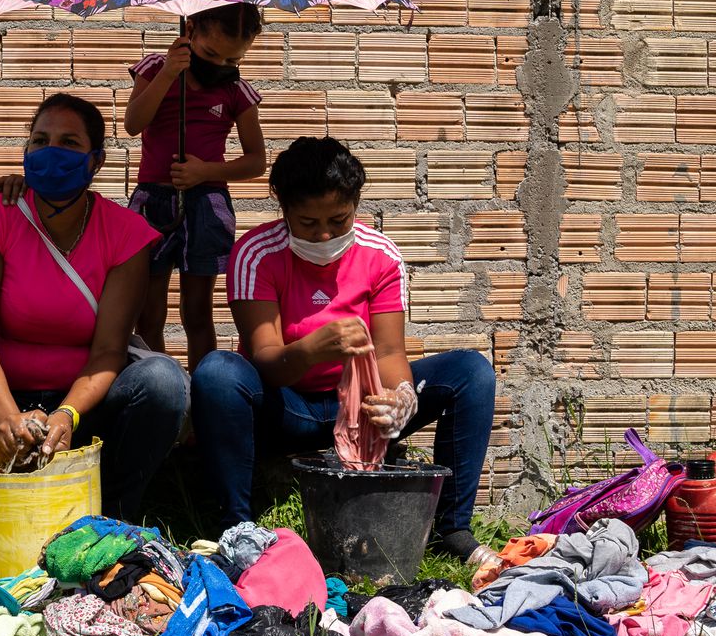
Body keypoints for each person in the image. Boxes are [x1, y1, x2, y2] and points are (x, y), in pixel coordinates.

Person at [191, 136, 497, 566]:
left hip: (361, 411)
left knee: (472, 372)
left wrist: (402, 398)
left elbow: (390, 352)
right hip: (288, 408)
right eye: (307, 222)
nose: (324, 234)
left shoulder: (380, 256)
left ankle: (451, 528)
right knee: (217, 372)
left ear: (356, 205)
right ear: (283, 210)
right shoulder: (256, 254)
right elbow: (265, 361)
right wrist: (313, 349)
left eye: (338, 220)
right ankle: (238, 530)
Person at [0, 93, 188, 543]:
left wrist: (67, 415)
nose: (52, 152)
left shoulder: (127, 233)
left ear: (96, 161)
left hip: (85, 410)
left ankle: (110, 518)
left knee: (164, 381)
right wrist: (9, 420)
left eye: (69, 143)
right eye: (40, 140)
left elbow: (111, 349)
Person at [123, 3, 268, 370]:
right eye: (209, 53)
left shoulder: (236, 91)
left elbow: (256, 160)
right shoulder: (156, 69)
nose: (220, 65)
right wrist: (169, 74)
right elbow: (133, 123)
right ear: (190, 31)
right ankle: (165, 391)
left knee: (198, 311)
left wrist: (206, 172)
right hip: (152, 204)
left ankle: (203, 400)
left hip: (207, 204)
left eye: (233, 60)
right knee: (149, 312)